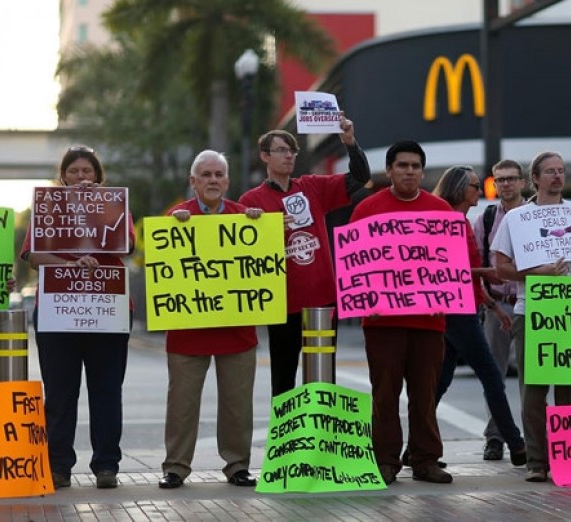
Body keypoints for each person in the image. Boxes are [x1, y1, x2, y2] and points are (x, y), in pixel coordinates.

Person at [20, 145, 135, 490]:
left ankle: (106, 466)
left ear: (98, 177)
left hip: (108, 309)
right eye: (74, 172)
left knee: (107, 391)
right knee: (60, 392)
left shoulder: (115, 206)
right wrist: (69, 265)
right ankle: (58, 467)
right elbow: (33, 255)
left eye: (88, 172)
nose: (82, 178)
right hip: (58, 310)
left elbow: (127, 246)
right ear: (63, 177)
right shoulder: (47, 209)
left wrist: (96, 210)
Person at [493, 151, 571, 482]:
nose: (557, 176)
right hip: (532, 311)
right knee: (534, 389)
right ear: (536, 179)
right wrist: (537, 272)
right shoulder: (518, 218)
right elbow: (500, 268)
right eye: (550, 172)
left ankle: (568, 458)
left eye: (562, 171)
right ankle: (537, 461)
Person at [239, 115, 371, 397]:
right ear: (265, 156)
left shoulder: (311, 187)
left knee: (321, 379)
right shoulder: (251, 201)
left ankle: (320, 440)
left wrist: (349, 143)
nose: (289, 156)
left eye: (292, 151)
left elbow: (360, 177)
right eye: (281, 151)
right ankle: (285, 441)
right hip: (281, 304)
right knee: (283, 381)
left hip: (321, 303)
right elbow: (245, 254)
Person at [350, 141, 452, 485]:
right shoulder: (367, 209)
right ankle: (384, 461)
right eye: (403, 165)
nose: (410, 171)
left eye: (415, 166)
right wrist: (366, 301)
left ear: (422, 172)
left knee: (425, 393)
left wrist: (448, 295)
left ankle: (426, 460)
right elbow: (353, 264)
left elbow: (458, 264)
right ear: (389, 170)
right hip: (382, 321)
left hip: (430, 320)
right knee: (385, 392)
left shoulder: (441, 211)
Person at [158, 150, 262, 489]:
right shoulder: (175, 219)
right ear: (193, 182)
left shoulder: (246, 219)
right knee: (182, 404)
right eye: (206, 175)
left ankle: (237, 466)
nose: (213, 180)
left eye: (219, 174)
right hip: (188, 334)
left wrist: (261, 227)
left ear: (227, 182)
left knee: (237, 405)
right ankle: (175, 467)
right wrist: (175, 227)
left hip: (237, 333)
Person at [428, 165, 527, 466]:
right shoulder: (447, 221)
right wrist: (488, 273)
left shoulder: (461, 221)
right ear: (459, 188)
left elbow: (466, 276)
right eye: (474, 185)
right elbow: (450, 270)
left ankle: (418, 447)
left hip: (467, 307)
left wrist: (494, 307)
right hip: (457, 312)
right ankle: (515, 443)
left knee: (441, 383)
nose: (479, 191)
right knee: (491, 376)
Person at [472, 159, 527, 460]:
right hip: (498, 305)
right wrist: (490, 306)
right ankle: (496, 437)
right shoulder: (488, 217)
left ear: (522, 182)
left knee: (532, 375)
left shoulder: (534, 216)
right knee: (494, 373)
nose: (505, 184)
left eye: (511, 179)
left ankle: (533, 436)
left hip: (531, 303)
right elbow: (478, 265)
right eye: (500, 179)